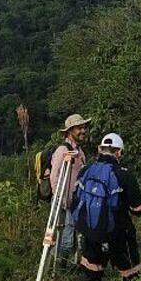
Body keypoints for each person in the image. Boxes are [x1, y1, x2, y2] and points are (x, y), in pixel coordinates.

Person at [75, 133, 141, 281]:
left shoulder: (86, 170)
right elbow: (138, 210)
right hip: (119, 233)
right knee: (131, 275)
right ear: (119, 152)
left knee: (90, 280)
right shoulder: (125, 175)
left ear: (100, 149)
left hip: (91, 231)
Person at [49, 113, 89, 264]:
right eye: (79, 128)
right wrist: (61, 199)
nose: (83, 131)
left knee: (73, 240)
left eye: (83, 127)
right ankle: (56, 269)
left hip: (76, 202)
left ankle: (65, 268)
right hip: (63, 202)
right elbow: (54, 177)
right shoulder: (62, 151)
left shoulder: (80, 152)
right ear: (70, 131)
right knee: (64, 242)